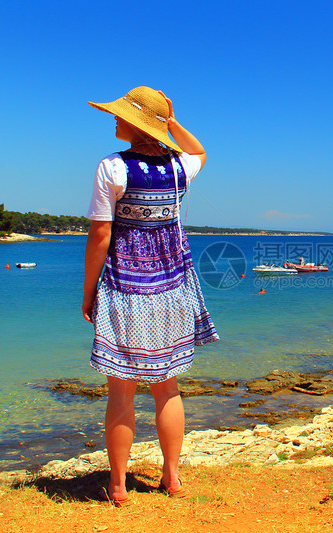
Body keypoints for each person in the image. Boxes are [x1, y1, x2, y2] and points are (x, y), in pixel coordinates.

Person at [82, 86, 219, 502]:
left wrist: (88, 293)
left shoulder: (113, 168)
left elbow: (101, 234)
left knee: (121, 389)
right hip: (174, 287)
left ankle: (119, 485)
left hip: (127, 286)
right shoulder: (180, 166)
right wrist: (171, 122)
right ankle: (172, 478)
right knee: (167, 387)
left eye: (121, 115)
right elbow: (201, 153)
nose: (115, 120)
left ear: (135, 123)